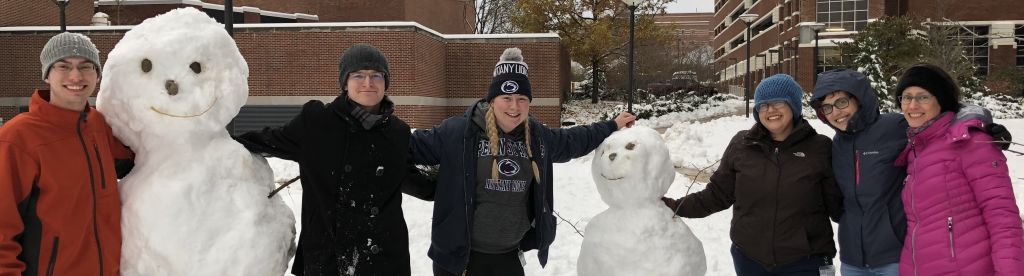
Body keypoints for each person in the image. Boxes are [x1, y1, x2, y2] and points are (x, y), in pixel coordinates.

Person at [408, 48, 635, 276]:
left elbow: (572, 140)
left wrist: (612, 125)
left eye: (521, 99)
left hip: (508, 259)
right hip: (460, 261)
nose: (514, 107)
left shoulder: (537, 138)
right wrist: (430, 190)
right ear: (492, 100)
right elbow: (404, 149)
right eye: (506, 98)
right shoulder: (457, 133)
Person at [235, 44, 425, 275]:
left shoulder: (398, 132)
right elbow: (267, 140)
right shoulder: (316, 123)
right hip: (329, 259)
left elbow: (406, 177)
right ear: (345, 83)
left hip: (385, 258)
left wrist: (456, 187)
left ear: (385, 83)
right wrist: (215, 141)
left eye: (376, 75)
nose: (368, 83)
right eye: (358, 75)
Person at [661, 74, 843, 276]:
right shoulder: (742, 145)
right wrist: (671, 206)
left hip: (805, 262)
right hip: (750, 261)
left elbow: (839, 206)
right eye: (763, 105)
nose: (770, 110)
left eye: (777, 102)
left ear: (793, 105)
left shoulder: (820, 148)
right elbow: (717, 195)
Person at [0, 32, 132, 276]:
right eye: (63, 66)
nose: (76, 76)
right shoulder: (18, 138)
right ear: (47, 75)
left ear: (97, 75)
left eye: (85, 66)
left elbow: (137, 158)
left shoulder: (98, 125)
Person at [893, 63, 1024, 275]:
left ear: (941, 101)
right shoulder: (914, 150)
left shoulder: (971, 143)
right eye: (906, 97)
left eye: (923, 97)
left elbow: (1002, 218)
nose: (912, 105)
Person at [809, 69, 907, 275]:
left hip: (894, 257)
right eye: (827, 107)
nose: (836, 112)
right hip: (852, 260)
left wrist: (975, 120)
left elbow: (940, 122)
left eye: (842, 102)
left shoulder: (894, 128)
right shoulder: (836, 145)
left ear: (859, 100)